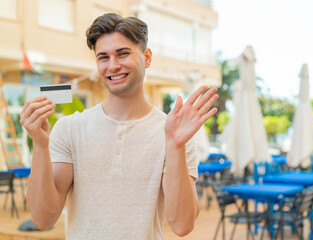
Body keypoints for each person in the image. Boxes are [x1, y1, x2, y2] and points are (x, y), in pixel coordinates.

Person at [20, 13, 218, 240]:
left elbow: (182, 225)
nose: (113, 66)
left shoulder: (174, 134)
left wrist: (174, 146)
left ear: (147, 57)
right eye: (103, 57)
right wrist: (40, 144)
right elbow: (43, 219)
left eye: (123, 54)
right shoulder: (70, 129)